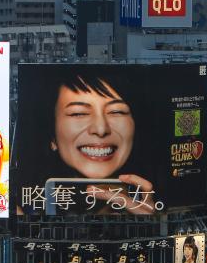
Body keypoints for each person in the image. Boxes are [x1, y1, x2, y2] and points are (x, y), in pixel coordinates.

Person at [22, 67, 157, 214]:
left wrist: (152, 224)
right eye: (78, 113)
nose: (101, 129)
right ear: (52, 136)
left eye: (116, 111)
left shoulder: (157, 207)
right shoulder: (22, 208)